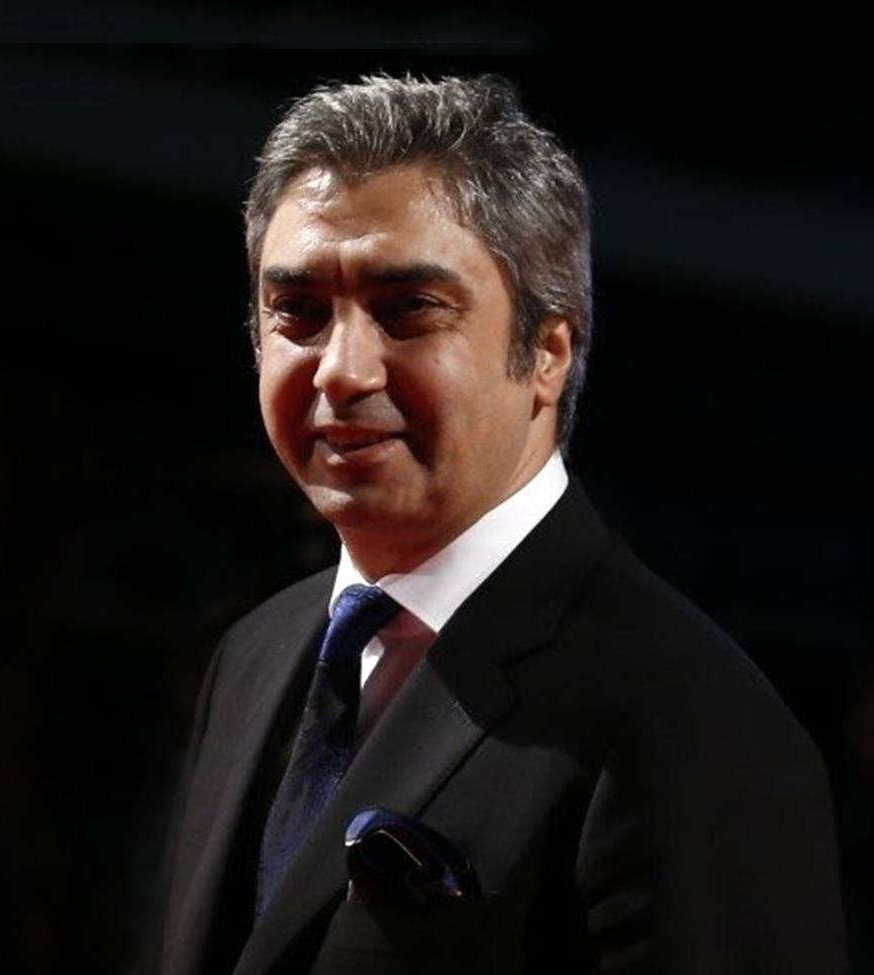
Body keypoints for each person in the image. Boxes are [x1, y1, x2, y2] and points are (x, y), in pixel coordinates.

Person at [145, 74, 847, 975]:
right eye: (299, 312)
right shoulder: (255, 653)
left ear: (547, 353)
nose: (341, 370)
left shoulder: (690, 721)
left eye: (408, 308)